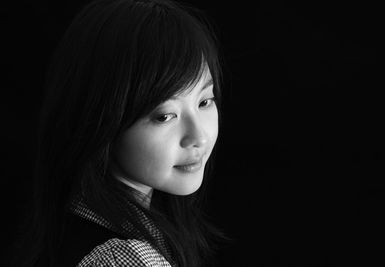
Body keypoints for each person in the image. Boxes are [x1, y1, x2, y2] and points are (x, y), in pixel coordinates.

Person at [13, 0, 227, 266]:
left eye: (205, 101)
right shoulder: (123, 257)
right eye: (164, 116)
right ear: (101, 120)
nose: (199, 137)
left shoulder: (74, 221)